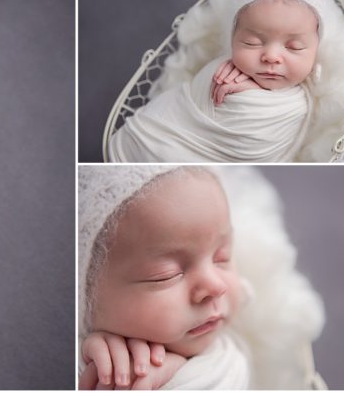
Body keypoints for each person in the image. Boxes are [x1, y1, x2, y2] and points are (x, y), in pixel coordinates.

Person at [108, 0, 344, 162]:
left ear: (317, 50)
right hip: (146, 143)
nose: (271, 57)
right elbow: (185, 109)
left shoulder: (306, 102)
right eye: (251, 43)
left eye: (293, 47)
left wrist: (255, 89)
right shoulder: (219, 71)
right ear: (231, 41)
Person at [78, 166, 251, 389]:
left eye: (222, 258)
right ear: (84, 302)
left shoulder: (235, 346)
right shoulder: (91, 367)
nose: (216, 286)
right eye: (166, 275)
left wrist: (180, 370)